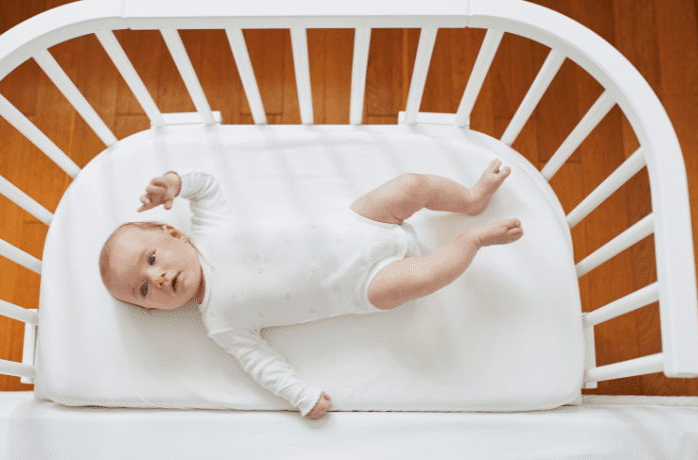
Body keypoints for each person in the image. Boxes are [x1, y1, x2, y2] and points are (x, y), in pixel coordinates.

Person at [98, 160, 522, 420]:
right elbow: (262, 364)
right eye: (143, 290)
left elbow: (205, 186)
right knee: (421, 280)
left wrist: (175, 181)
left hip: (362, 224)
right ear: (150, 310)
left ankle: (469, 199)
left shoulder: (211, 226)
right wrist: (300, 396)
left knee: (410, 184)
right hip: (362, 286)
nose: (156, 279)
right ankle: (473, 241)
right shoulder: (220, 322)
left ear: (174, 232)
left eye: (151, 260)